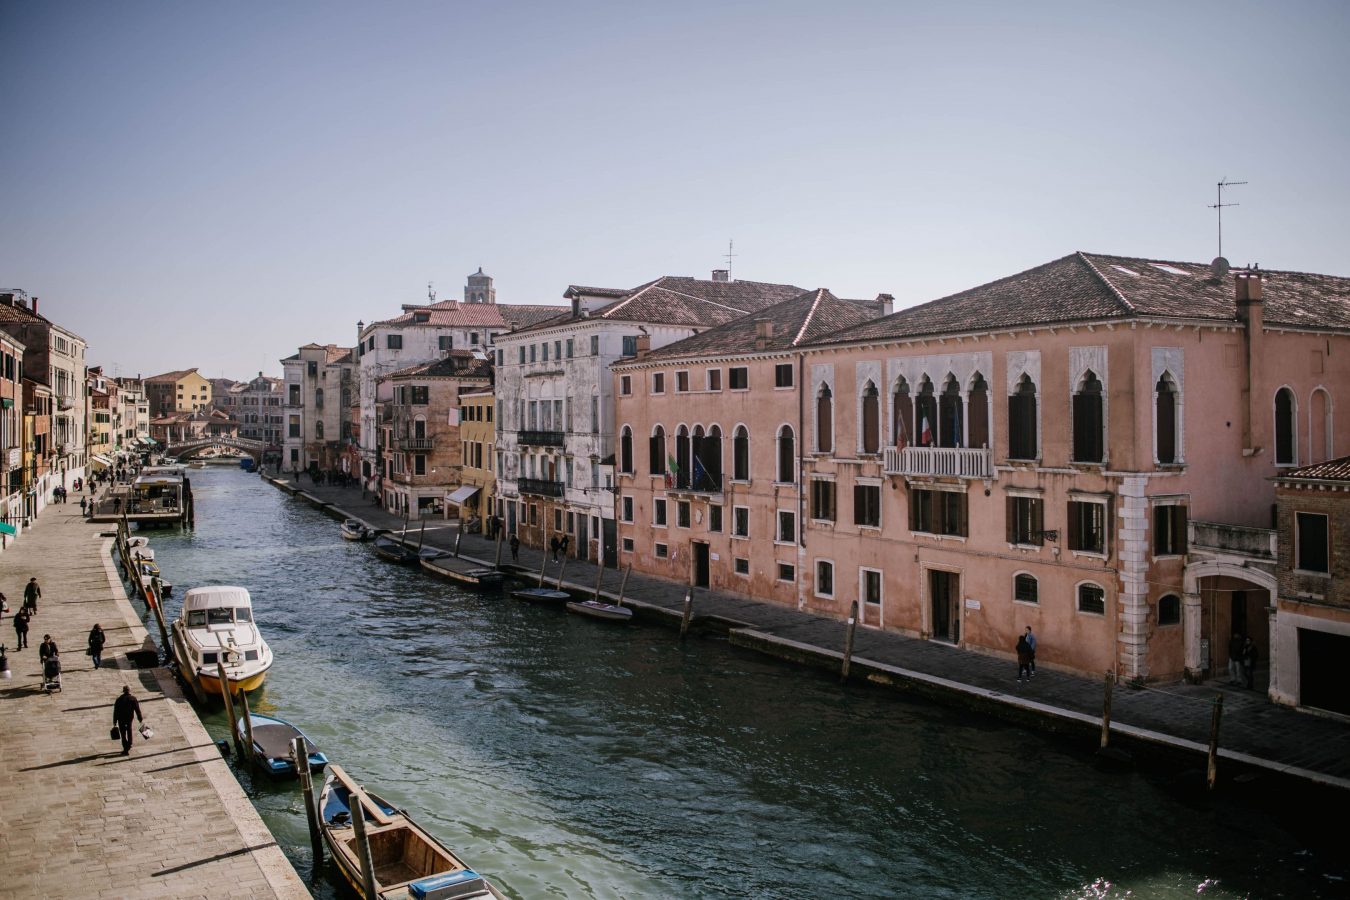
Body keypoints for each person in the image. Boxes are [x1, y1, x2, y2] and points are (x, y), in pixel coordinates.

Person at [112, 685, 143, 755]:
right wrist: (140, 718)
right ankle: (129, 744)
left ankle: (125, 747)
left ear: (123, 691)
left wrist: (114, 721)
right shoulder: (133, 699)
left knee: (123, 733)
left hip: (121, 719)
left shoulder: (119, 699)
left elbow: (115, 711)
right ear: (129, 691)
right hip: (129, 718)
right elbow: (137, 710)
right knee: (129, 730)